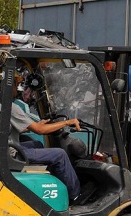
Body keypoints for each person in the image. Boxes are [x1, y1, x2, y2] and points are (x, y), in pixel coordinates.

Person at [7, 76, 85, 206]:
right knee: (60, 154)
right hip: (12, 153)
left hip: (3, 147)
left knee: (37, 144)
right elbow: (40, 131)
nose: (18, 88)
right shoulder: (11, 107)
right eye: (16, 85)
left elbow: (6, 128)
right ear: (11, 86)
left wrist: (35, 125)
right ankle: (76, 196)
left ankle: (53, 182)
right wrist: (67, 122)